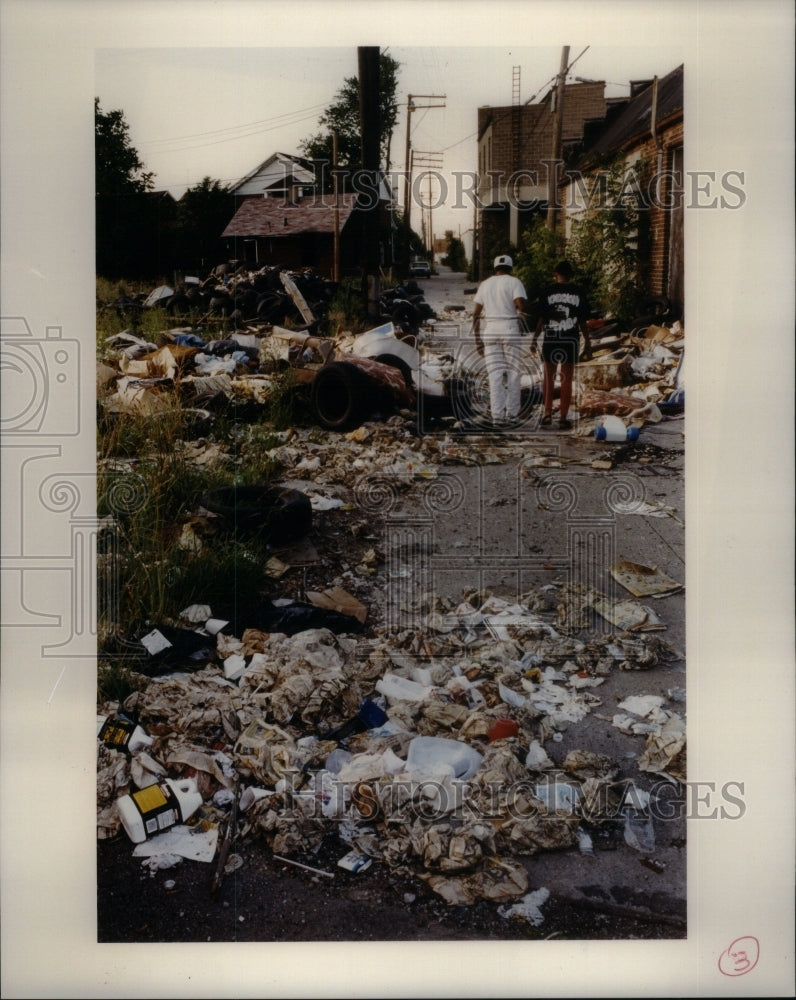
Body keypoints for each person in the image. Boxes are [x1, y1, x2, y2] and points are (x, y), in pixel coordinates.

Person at [531, 260, 592, 430]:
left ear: (555, 274)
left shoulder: (547, 291)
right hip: (570, 339)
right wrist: (588, 342)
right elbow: (582, 321)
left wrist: (534, 339)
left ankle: (547, 413)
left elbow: (542, 319)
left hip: (551, 338)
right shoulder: (579, 292)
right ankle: (563, 417)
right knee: (567, 378)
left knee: (548, 377)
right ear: (571, 275)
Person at [471, 254, 529, 426]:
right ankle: (512, 414)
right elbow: (521, 305)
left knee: (494, 375)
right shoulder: (514, 282)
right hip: (509, 327)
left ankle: (497, 416)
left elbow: (475, 314)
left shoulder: (485, 284)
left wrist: (478, 340)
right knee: (513, 373)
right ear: (510, 268)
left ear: (495, 268)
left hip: (490, 329)